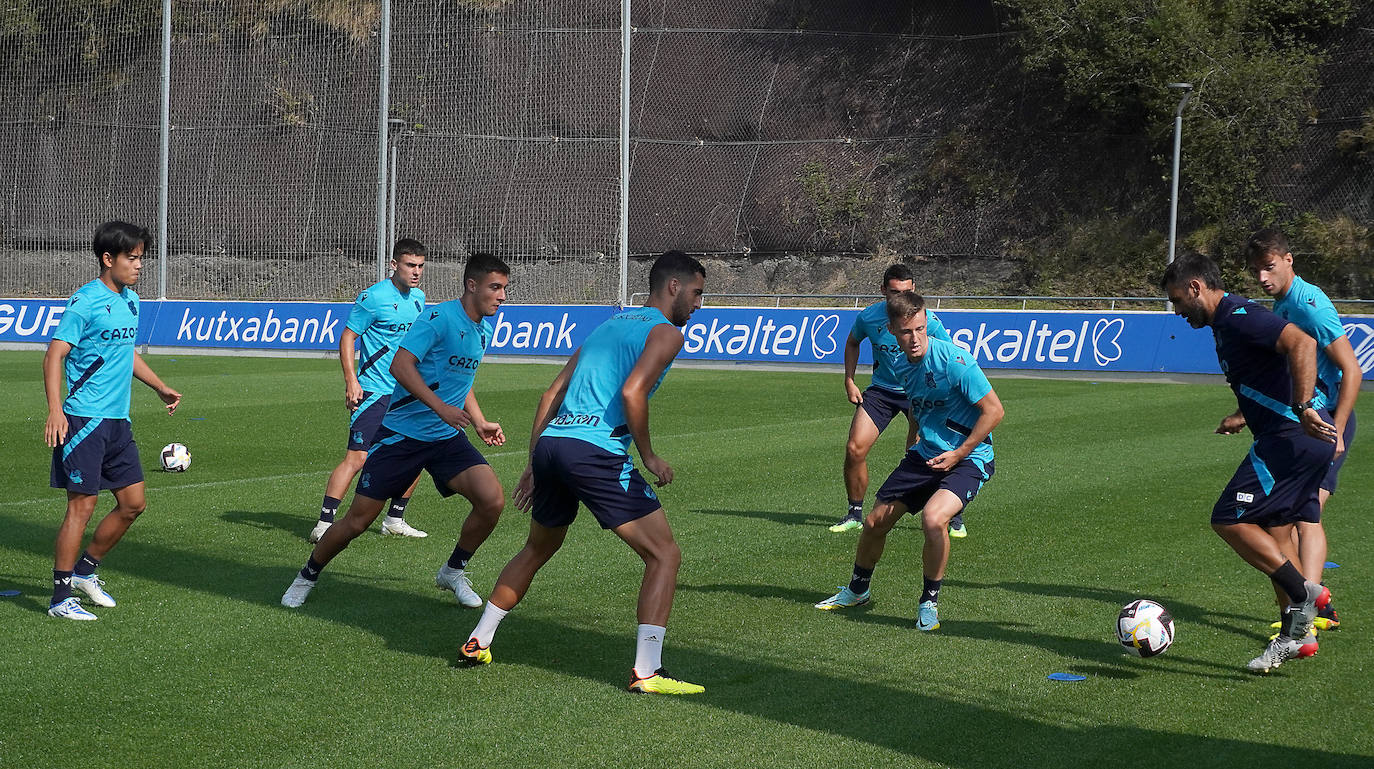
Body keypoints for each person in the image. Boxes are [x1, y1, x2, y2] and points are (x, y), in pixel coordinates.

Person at [459, 250, 706, 695]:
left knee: (539, 545)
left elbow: (551, 393)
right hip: (593, 452)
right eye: (697, 292)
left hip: (554, 444)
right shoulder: (667, 334)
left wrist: (534, 463)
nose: (698, 304)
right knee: (664, 554)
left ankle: (480, 638)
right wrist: (648, 456)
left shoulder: (609, 325)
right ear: (674, 286)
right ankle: (648, 672)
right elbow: (633, 392)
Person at [282, 253, 511, 610]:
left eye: (505, 289)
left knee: (492, 500)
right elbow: (400, 366)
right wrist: (441, 408)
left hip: (445, 438)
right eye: (495, 287)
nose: (502, 296)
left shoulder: (486, 326)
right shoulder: (437, 318)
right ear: (472, 285)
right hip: (401, 437)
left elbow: (458, 380)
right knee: (357, 521)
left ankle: (453, 571)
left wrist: (478, 420)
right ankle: (307, 574)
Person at [1161, 253, 1334, 673]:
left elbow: (1302, 342)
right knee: (1276, 533)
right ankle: (1299, 635)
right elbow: (1267, 376)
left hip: (1290, 439)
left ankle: (1304, 594)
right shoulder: (1227, 325)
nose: (1177, 311)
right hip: (1291, 435)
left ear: (1196, 287)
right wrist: (1244, 414)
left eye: (1178, 301)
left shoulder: (1238, 315)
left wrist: (1305, 405)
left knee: (1228, 517)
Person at [815, 291, 1003, 632]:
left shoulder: (955, 361)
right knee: (874, 523)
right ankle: (858, 590)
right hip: (926, 455)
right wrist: (914, 445)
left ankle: (928, 603)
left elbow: (994, 411)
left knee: (933, 519)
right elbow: (919, 406)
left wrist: (960, 453)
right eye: (906, 332)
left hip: (969, 457)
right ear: (891, 331)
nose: (914, 338)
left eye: (919, 329)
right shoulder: (900, 366)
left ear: (927, 324)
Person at [1216, 229, 1360, 640]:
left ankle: (1314, 609)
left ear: (1289, 260)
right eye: (1256, 270)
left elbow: (1352, 370)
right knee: (1284, 520)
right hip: (1305, 419)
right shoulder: (1281, 305)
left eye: (1269, 267)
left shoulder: (1309, 306)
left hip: (1326, 418)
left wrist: (1338, 428)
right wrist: (1243, 415)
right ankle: (1308, 607)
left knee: (1305, 511)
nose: (1262, 277)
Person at [43, 221, 182, 620]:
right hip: (84, 419)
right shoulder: (84, 301)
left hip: (118, 421)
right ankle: (59, 597)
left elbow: (126, 352)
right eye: (132, 258)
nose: (139, 265)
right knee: (81, 507)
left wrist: (159, 386)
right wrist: (56, 410)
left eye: (142, 258)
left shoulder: (132, 301)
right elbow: (54, 355)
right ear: (108, 259)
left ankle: (86, 572)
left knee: (133, 504)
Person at [308, 239, 429, 544]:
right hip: (374, 390)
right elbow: (348, 337)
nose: (416, 272)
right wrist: (351, 380)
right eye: (410, 265)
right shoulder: (373, 297)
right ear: (394, 265)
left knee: (416, 457)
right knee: (357, 458)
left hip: (406, 394)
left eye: (420, 266)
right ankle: (324, 523)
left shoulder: (419, 298)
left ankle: (394, 520)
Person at [835, 265, 964, 538]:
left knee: (924, 454)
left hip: (919, 392)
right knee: (855, 448)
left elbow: (950, 355)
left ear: (914, 290)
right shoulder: (869, 317)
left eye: (906, 292)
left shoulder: (928, 320)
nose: (899, 298)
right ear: (883, 291)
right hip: (882, 391)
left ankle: (953, 513)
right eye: (894, 292)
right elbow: (852, 342)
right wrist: (849, 380)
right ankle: (855, 513)